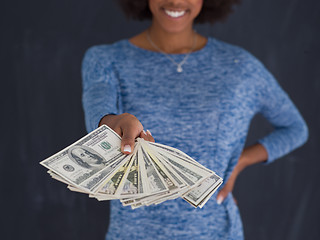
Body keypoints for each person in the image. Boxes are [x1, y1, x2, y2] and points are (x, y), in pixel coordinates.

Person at [81, 0, 308, 239]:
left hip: (217, 232)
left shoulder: (241, 67)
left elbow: (295, 128)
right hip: (132, 233)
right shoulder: (104, 60)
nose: (176, 1)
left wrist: (238, 163)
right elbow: (97, 114)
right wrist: (111, 123)